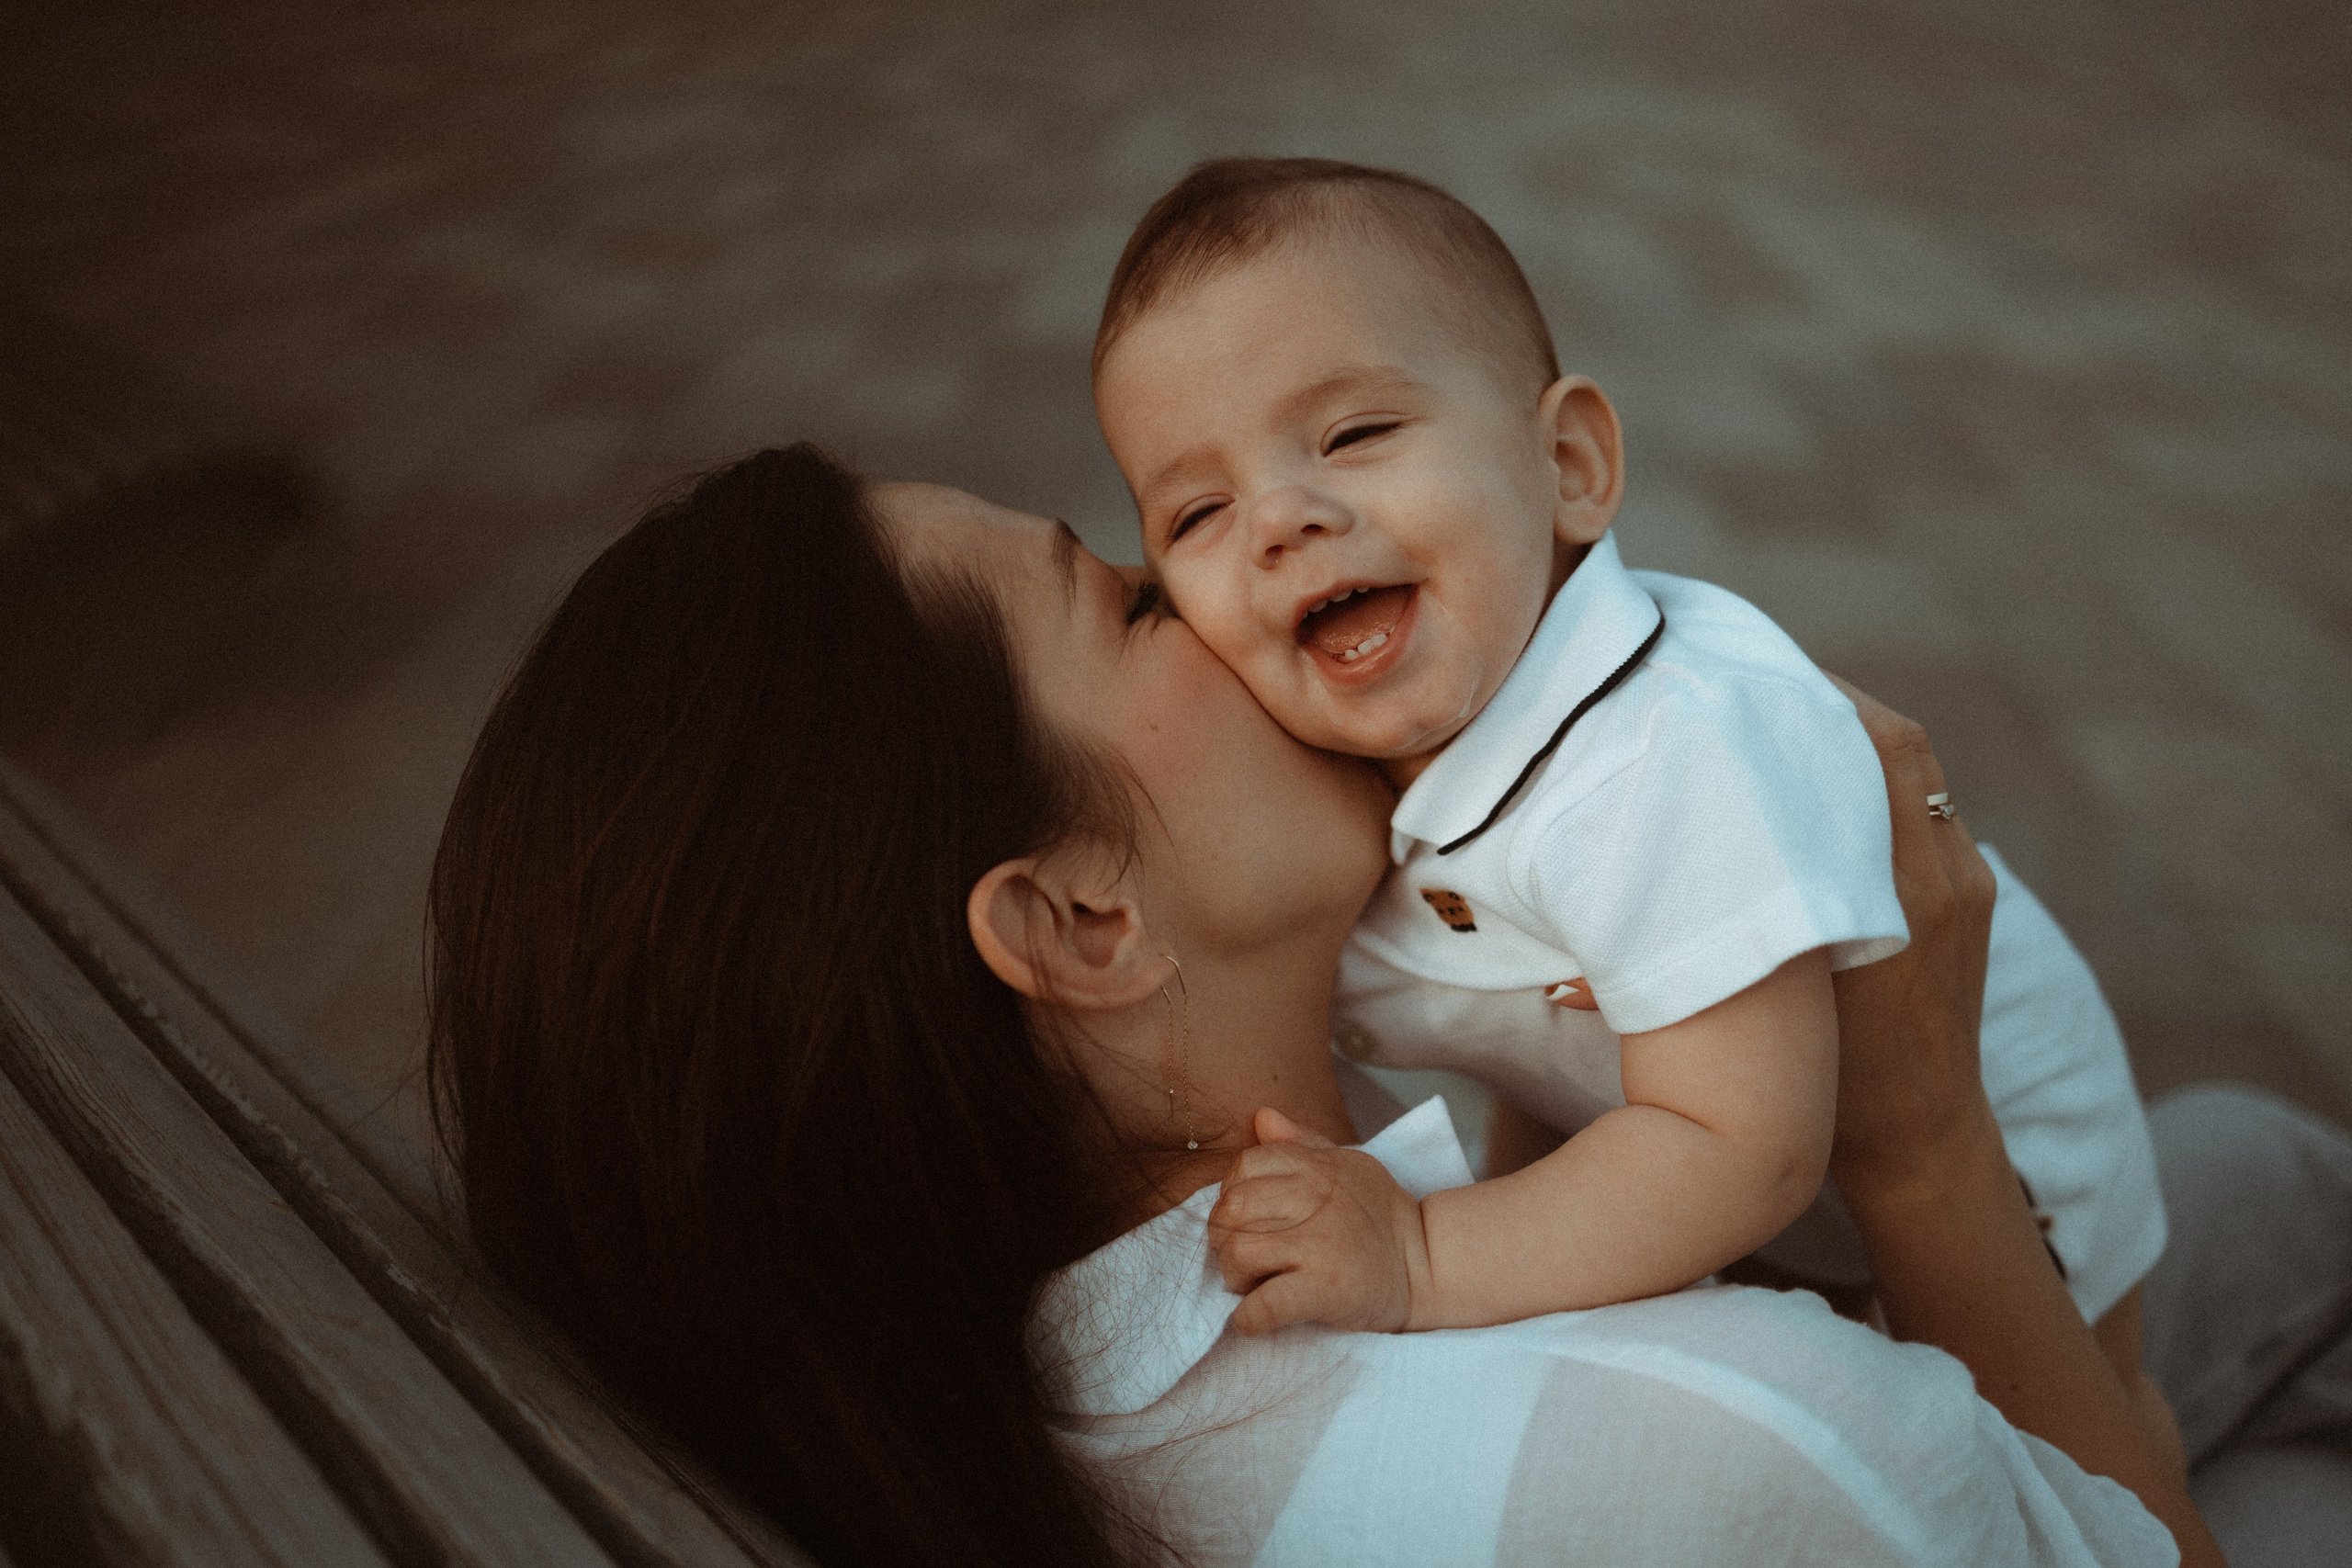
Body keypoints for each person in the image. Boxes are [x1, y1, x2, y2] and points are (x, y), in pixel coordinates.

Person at [427, 444, 2336, 1566]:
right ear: (1082, 920)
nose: (1223, 587)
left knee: (2254, 1162)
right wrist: (1921, 1144)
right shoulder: (1734, 1460)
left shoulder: (998, 1409)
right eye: (1123, 599)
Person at [1088, 157, 2163, 1346]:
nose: (1282, 519)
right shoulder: (1437, 746)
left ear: (1569, 468)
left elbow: (1737, 1147)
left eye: (1353, 432)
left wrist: (1428, 1253)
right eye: (1197, 513)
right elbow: (1551, 1068)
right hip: (1794, 1201)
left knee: (2082, 1468)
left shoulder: (1662, 750)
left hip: (2018, 1180)